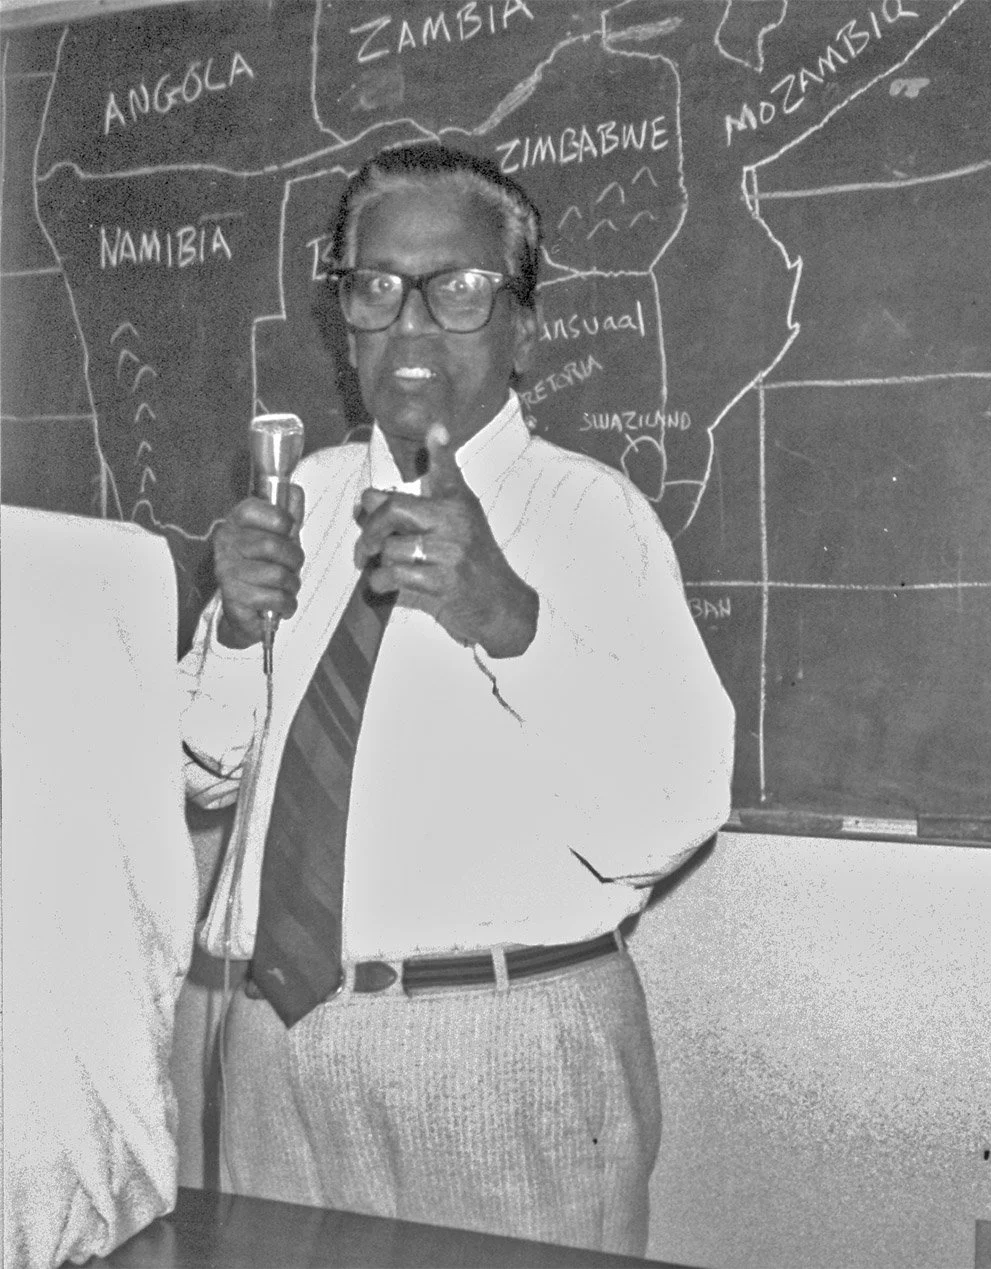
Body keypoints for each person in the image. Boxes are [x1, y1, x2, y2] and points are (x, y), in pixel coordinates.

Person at [180, 142, 734, 1256]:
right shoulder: (302, 497)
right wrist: (237, 632)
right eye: (376, 286)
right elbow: (202, 768)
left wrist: (508, 620)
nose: (414, 320)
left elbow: (670, 816)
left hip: (498, 1048)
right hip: (269, 1047)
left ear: (522, 324)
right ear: (345, 316)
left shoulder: (591, 516)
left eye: (461, 287)